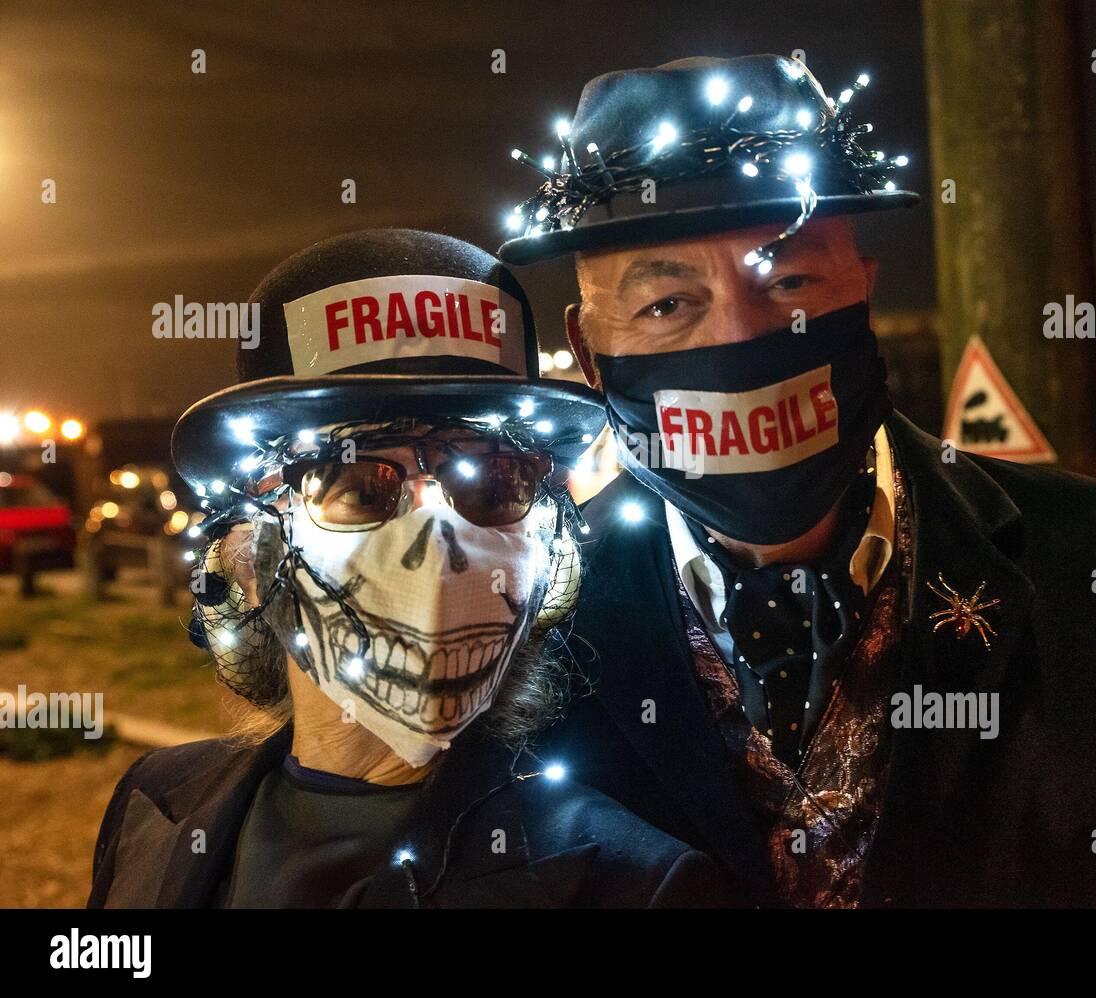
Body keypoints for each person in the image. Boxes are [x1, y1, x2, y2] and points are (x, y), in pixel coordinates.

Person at [496, 55, 1096, 907]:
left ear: (865, 291)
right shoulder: (531, 617)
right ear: (588, 352)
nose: (742, 335)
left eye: (791, 281)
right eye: (667, 305)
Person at [88, 229, 735, 908]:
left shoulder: (635, 885)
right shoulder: (152, 802)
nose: (438, 550)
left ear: (549, 558)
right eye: (362, 488)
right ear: (252, 556)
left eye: (492, 481)